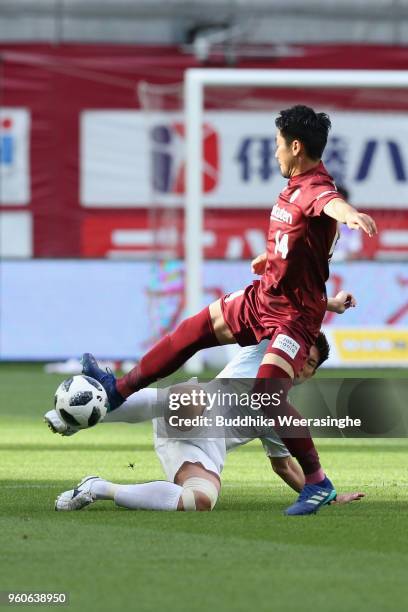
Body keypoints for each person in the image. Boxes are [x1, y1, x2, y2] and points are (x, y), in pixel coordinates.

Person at [80, 105, 377, 515]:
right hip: (265, 300)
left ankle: (318, 483)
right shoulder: (292, 188)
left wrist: (352, 215)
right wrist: (269, 260)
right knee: (191, 332)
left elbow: (331, 204)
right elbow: (298, 257)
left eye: (277, 144)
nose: (275, 153)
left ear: (295, 146)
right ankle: (116, 391)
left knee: (269, 394)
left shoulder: (314, 188)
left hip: (291, 318)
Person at [53, 292, 363, 513]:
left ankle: (98, 488)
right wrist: (329, 304)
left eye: (309, 364)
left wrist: (327, 496)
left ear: (310, 375)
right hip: (186, 407)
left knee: (200, 501)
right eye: (301, 353)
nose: (300, 363)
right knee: (193, 398)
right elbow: (290, 309)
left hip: (200, 450)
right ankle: (85, 414)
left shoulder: (282, 414)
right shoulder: (267, 349)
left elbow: (284, 466)